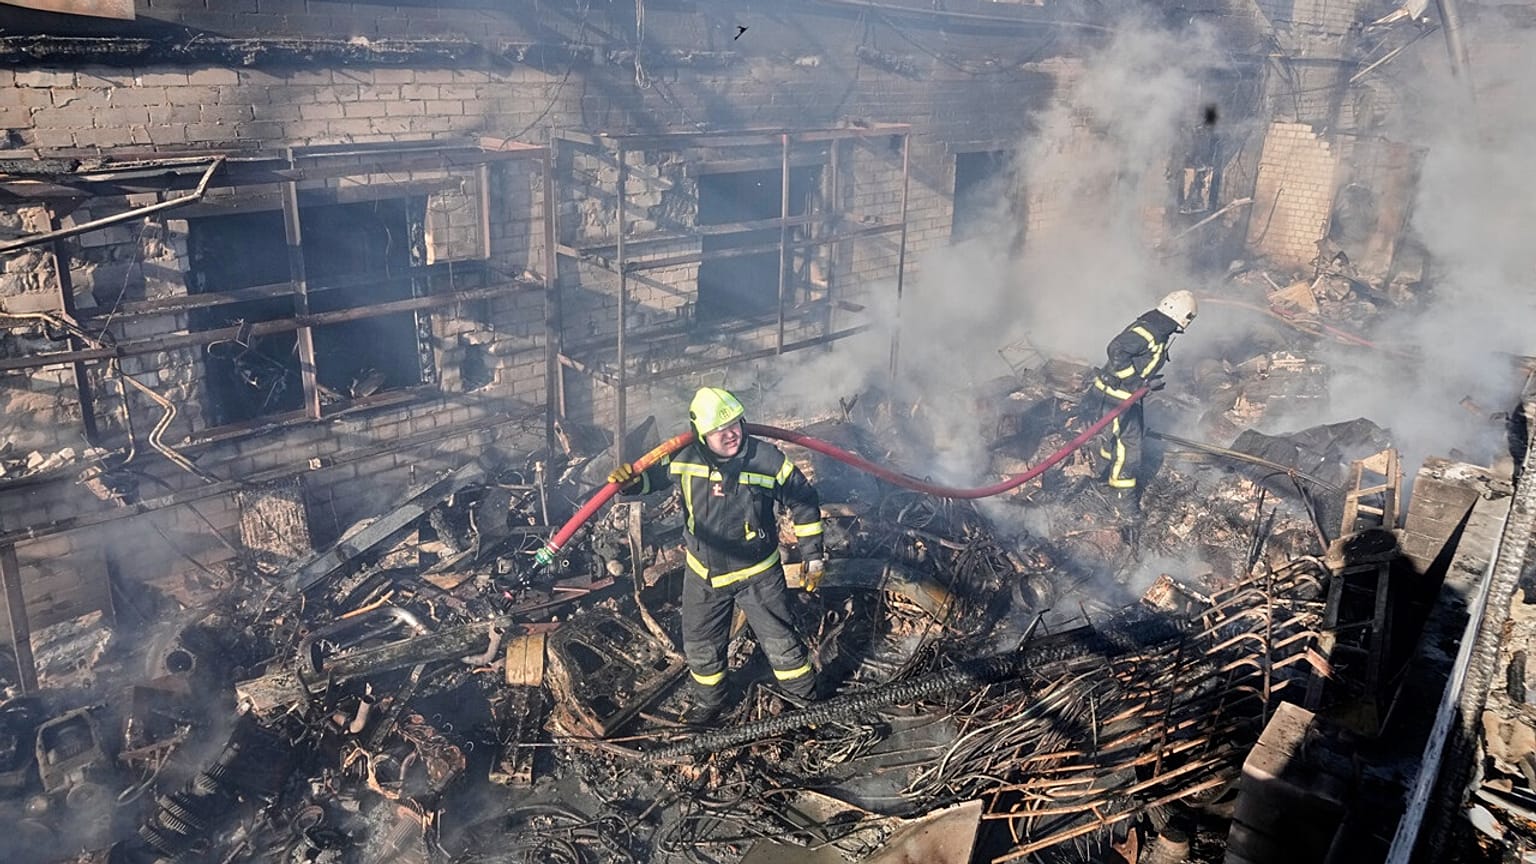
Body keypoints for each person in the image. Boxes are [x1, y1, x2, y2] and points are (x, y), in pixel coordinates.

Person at [607, 387, 826, 722]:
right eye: (719, 430)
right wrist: (628, 483)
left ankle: (807, 704)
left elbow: (804, 501)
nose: (731, 434)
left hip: (759, 575)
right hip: (703, 575)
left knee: (782, 643)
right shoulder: (684, 457)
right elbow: (650, 480)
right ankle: (710, 703)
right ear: (700, 434)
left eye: (736, 424)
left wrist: (813, 556)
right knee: (701, 646)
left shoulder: (766, 460)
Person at [1085, 289, 1198, 515]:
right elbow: (1116, 349)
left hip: (1121, 396)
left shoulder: (1158, 327)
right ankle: (1123, 501)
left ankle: (1105, 477)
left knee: (1117, 443)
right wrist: (1136, 382)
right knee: (1130, 448)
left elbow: (1138, 358)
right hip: (1116, 398)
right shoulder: (1152, 330)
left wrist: (1145, 380)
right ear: (1182, 316)